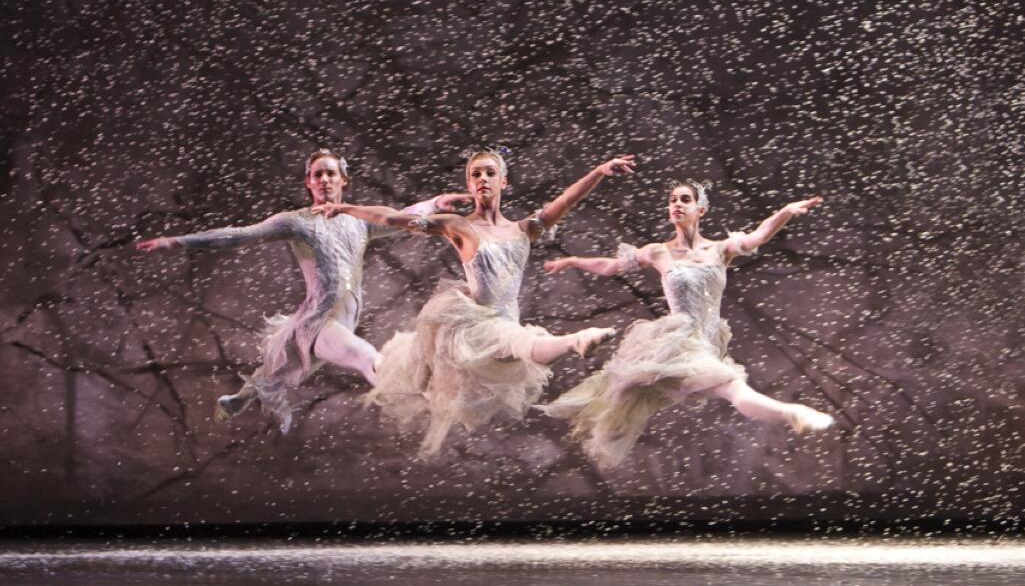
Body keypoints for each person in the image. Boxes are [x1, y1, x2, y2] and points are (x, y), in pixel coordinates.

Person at [314, 148, 636, 457]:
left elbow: (566, 200)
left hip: (506, 321)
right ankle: (575, 341)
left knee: (518, 342)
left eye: (490, 173)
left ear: (503, 182)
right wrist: (346, 209)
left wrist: (598, 172)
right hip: (473, 328)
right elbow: (394, 219)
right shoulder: (459, 226)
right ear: (469, 184)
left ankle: (570, 342)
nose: (483, 178)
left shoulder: (525, 229)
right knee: (517, 343)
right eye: (476, 174)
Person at [136, 149, 470, 433]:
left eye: (330, 174)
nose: (324, 180)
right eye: (317, 175)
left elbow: (404, 216)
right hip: (320, 321)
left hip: (342, 320)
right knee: (365, 356)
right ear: (309, 182)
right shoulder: (296, 222)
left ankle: (239, 399)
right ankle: (428, 395)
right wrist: (179, 241)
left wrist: (436, 201)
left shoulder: (360, 220)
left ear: (343, 181)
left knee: (281, 367)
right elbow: (239, 234)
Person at [537, 179, 834, 468]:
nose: (676, 204)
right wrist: (574, 260)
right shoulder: (658, 251)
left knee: (731, 389)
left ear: (700, 210)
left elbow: (758, 236)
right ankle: (793, 412)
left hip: (707, 342)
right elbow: (611, 266)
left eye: (684, 200)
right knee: (724, 388)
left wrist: (785, 211)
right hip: (678, 341)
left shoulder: (720, 250)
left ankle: (793, 413)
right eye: (672, 200)